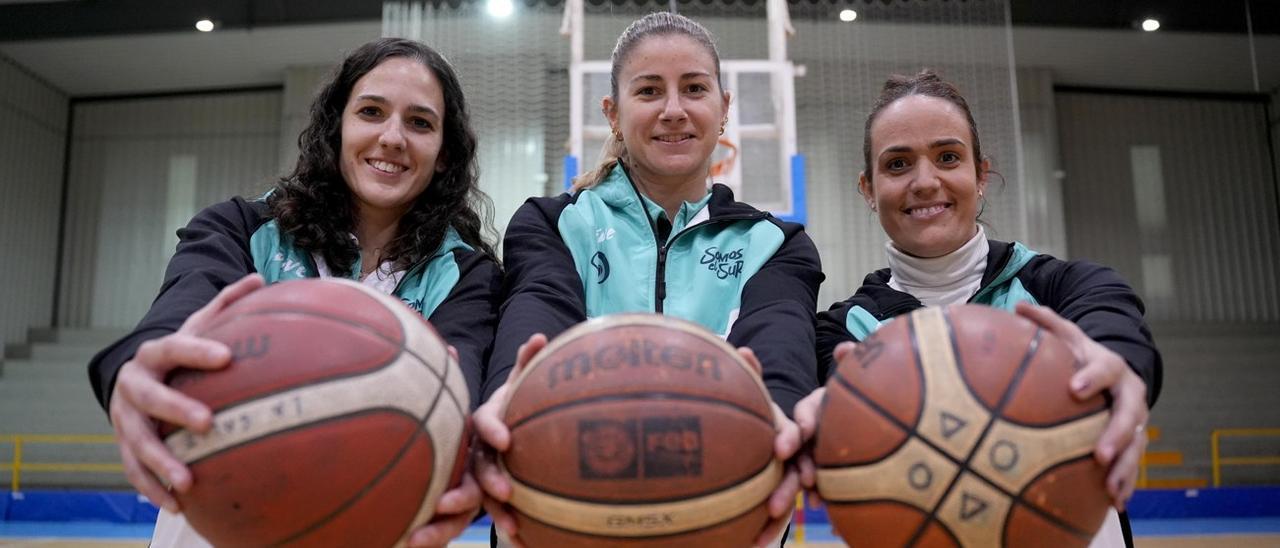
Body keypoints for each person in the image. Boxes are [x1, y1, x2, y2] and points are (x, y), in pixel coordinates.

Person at [86, 38, 501, 548]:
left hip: (377, 526)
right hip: (222, 523)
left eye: (420, 123)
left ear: (443, 155)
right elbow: (177, 315)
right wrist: (132, 366)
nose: (393, 137)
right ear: (337, 128)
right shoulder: (240, 228)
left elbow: (463, 382)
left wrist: (456, 433)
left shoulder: (467, 274)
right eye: (371, 111)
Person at [469, 12, 824, 547]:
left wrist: (776, 424)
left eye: (695, 88)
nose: (674, 109)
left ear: (724, 108)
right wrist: (506, 399)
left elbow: (781, 345)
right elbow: (537, 315)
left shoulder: (775, 243)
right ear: (613, 113)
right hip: (563, 514)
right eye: (650, 90)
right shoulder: (552, 223)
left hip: (719, 518)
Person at [792, 70, 1162, 547]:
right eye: (898, 164)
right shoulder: (843, 335)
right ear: (868, 188)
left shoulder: (1066, 290)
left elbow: (1115, 330)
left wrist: (1118, 369)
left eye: (948, 157)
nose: (925, 182)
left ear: (981, 174)